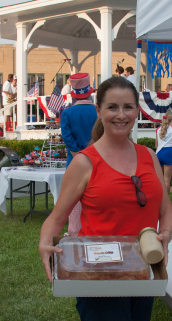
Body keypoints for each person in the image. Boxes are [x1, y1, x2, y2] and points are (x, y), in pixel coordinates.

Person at [39, 76, 172, 321]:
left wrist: (164, 233)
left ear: (137, 111)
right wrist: (44, 244)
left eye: (128, 107)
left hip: (143, 274)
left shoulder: (149, 157)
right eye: (112, 107)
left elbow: (167, 212)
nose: (121, 114)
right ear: (99, 110)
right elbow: (56, 218)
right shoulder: (85, 162)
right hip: (99, 278)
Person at [60, 72, 98, 235]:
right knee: (97, 197)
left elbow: (68, 138)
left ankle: (75, 231)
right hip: (98, 159)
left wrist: (78, 156)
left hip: (74, 162)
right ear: (89, 92)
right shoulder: (99, 112)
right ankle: (96, 229)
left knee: (74, 198)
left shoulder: (67, 113)